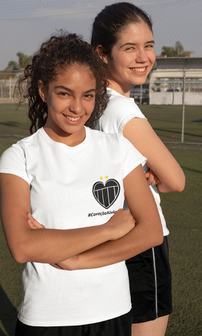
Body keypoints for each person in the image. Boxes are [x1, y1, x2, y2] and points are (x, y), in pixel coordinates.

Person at [0, 32, 163, 336]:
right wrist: (109, 230)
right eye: (64, 93)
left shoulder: (118, 148)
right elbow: (23, 246)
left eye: (87, 95)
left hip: (113, 312)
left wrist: (74, 259)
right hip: (47, 318)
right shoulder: (19, 157)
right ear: (43, 91)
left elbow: (150, 231)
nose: (77, 107)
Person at [90, 3, 186, 336]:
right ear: (102, 53)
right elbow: (176, 180)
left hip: (104, 237)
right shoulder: (122, 111)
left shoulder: (91, 103)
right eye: (129, 48)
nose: (143, 56)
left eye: (148, 45)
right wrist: (159, 179)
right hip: (142, 244)